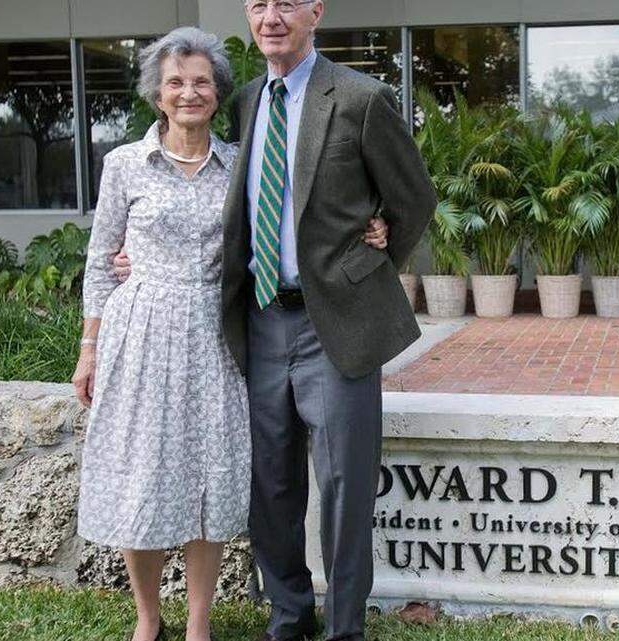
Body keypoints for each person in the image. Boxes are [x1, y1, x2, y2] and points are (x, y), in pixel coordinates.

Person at [222, 2, 435, 640]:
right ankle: (288, 617)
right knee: (271, 485)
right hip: (260, 318)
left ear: (315, 12)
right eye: (258, 4)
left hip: (333, 324)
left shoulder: (361, 98)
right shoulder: (243, 100)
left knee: (343, 488)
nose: (271, 17)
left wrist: (376, 250)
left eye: (286, 3)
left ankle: (345, 628)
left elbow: (413, 197)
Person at [72, 27, 246, 641]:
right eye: (176, 81)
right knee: (140, 476)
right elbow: (100, 260)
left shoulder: (239, 165)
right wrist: (88, 349)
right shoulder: (124, 164)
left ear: (218, 92)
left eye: (201, 81)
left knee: (209, 478)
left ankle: (198, 622)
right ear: (157, 93)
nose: (188, 92)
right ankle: (149, 619)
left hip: (215, 336)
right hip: (139, 333)